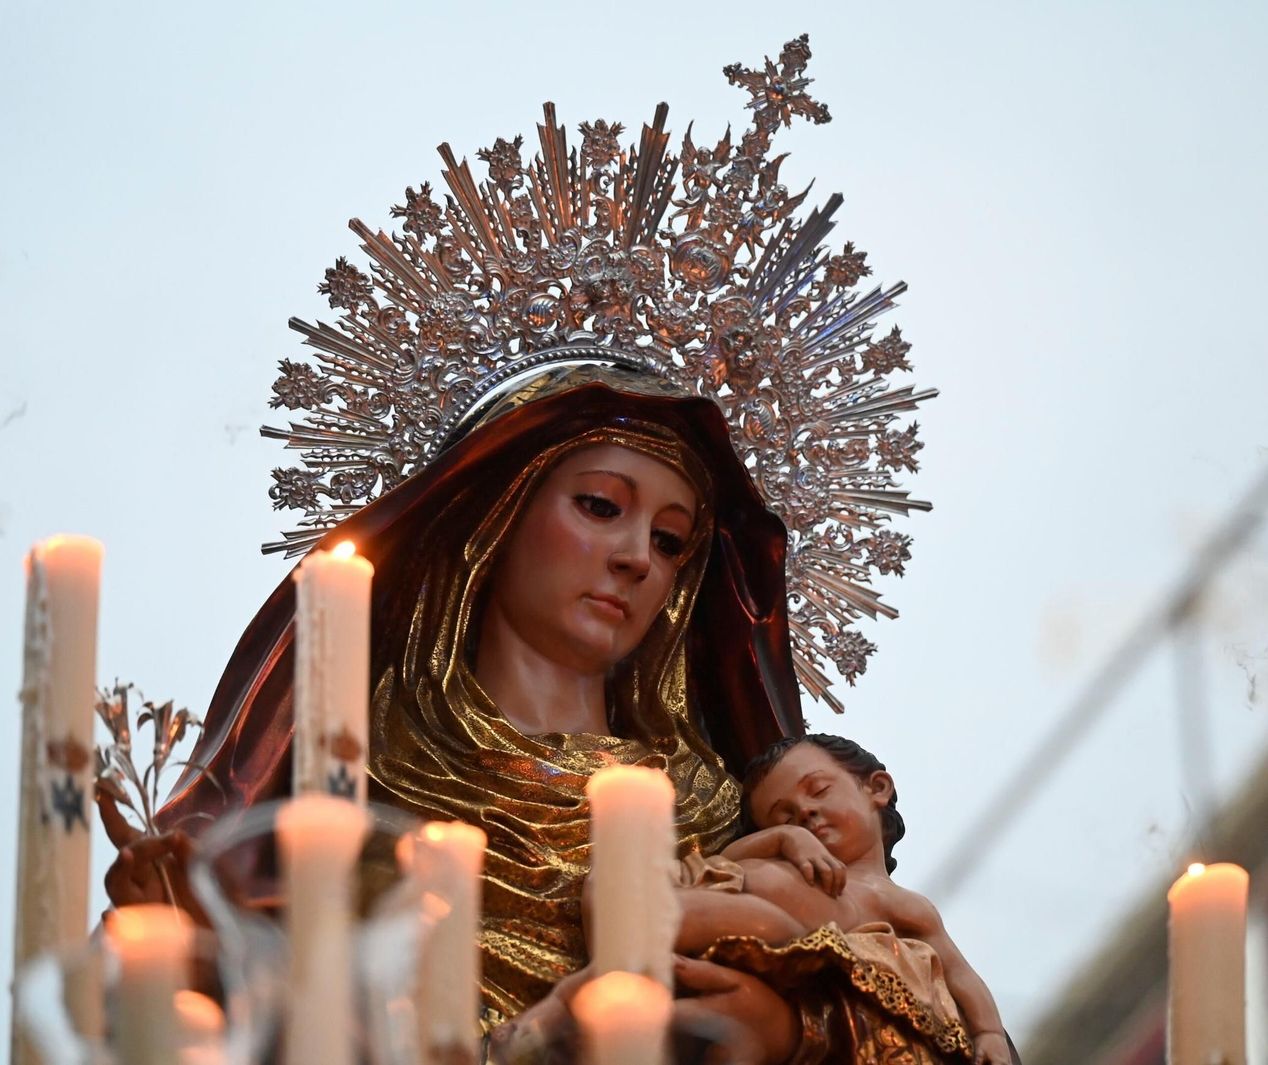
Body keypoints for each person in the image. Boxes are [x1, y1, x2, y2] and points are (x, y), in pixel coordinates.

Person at [99, 35, 1007, 1064]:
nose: (635, 559)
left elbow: (914, 1001)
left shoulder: (719, 807)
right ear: (496, 515)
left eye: (670, 542)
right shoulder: (352, 767)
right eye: (599, 506)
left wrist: (793, 1030)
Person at [675, 734, 1013, 1065]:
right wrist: (784, 839)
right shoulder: (788, 858)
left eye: (819, 791)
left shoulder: (905, 906)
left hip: (806, 977)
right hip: (728, 924)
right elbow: (723, 862)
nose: (805, 812)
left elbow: (960, 975)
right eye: (784, 816)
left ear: (877, 788)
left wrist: (989, 1034)